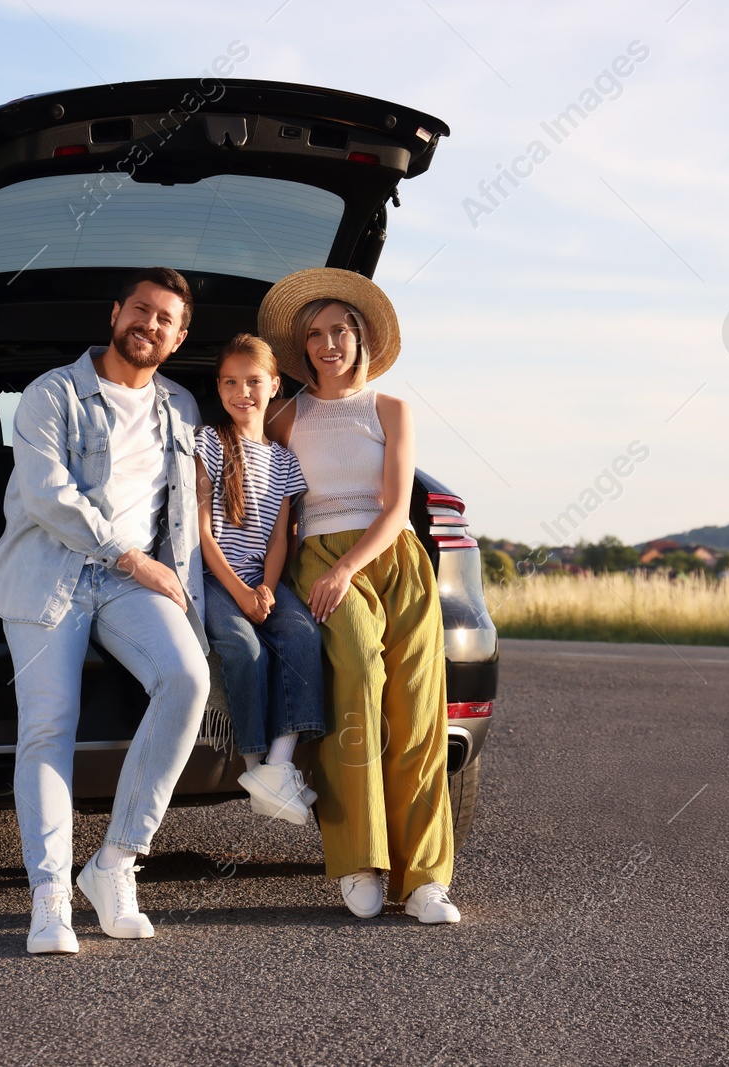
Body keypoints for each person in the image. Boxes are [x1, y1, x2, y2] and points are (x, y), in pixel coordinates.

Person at [0, 267, 210, 955]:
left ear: (178, 337)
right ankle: (49, 897)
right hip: (50, 572)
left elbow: (186, 518)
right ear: (115, 314)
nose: (151, 324)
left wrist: (188, 594)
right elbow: (49, 497)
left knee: (187, 679)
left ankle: (114, 863)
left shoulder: (182, 407)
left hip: (133, 583)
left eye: (166, 319)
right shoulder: (52, 394)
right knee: (50, 724)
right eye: (141, 310)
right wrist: (135, 559)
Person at [259, 267, 462, 925]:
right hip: (319, 563)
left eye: (338, 331)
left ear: (360, 337)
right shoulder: (285, 417)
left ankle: (426, 879)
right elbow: (270, 510)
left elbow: (399, 505)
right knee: (358, 687)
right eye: (314, 334)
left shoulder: (392, 410)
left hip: (388, 559)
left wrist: (350, 565)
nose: (327, 344)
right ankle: (358, 861)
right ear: (302, 347)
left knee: (418, 713)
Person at [195, 334, 324, 824]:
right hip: (215, 577)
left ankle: (279, 764)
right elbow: (204, 535)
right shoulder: (207, 442)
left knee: (301, 633)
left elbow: (279, 539)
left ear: (274, 386)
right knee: (243, 648)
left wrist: (268, 588)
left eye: (252, 381)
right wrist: (242, 593)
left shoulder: (285, 460)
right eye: (230, 382)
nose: (241, 391)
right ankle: (253, 765)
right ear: (220, 387)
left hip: (260, 579)